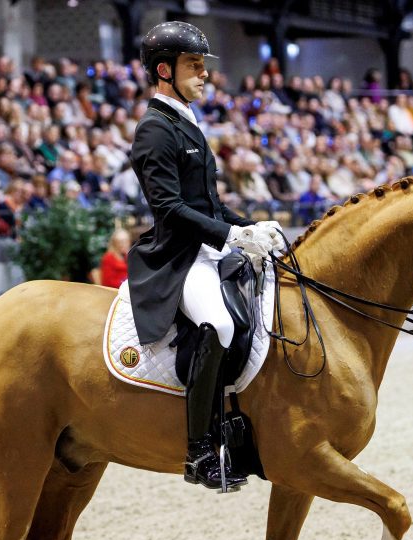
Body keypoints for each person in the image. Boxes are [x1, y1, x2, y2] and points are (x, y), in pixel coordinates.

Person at [128, 21, 281, 491]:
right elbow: (170, 209)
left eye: (203, 66)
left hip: (205, 247)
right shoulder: (155, 129)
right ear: (164, 70)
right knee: (220, 324)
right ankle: (199, 451)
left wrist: (249, 226)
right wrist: (231, 235)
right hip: (178, 256)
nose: (204, 74)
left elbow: (208, 204)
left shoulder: (186, 122)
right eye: (194, 66)